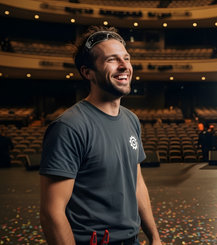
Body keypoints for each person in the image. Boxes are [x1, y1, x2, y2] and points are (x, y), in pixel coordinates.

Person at [39, 26, 161, 245]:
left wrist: (154, 236)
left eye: (126, 58)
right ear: (88, 72)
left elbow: (137, 183)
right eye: (112, 60)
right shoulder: (69, 126)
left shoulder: (131, 120)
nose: (124, 66)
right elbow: (52, 213)